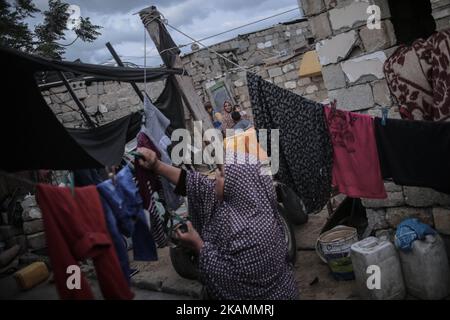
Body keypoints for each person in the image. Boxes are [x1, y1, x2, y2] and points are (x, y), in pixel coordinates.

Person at [136, 148, 299, 300]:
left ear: (236, 184)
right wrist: (157, 165)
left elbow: (231, 281)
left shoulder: (254, 235)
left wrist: (199, 245)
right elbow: (194, 184)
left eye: (220, 173)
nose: (215, 177)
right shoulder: (249, 201)